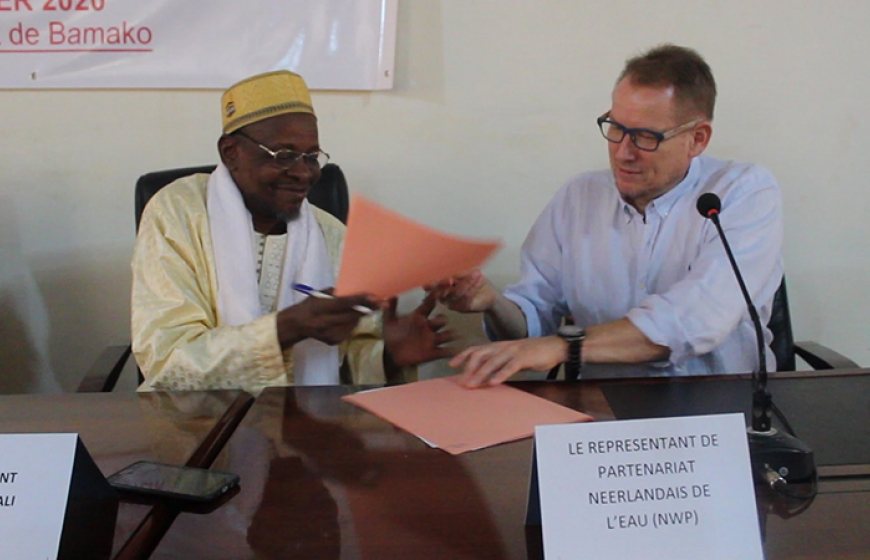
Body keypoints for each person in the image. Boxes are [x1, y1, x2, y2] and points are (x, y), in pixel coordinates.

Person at [436, 45, 783, 387]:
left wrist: (563, 347)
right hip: (603, 413)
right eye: (616, 128)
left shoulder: (742, 193)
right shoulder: (579, 198)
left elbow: (695, 318)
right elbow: (532, 323)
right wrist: (493, 303)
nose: (623, 153)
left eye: (645, 137)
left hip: (720, 407)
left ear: (697, 139)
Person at [132, 70, 452, 394]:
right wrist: (287, 327)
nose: (302, 173)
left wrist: (388, 357)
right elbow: (166, 363)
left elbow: (346, 370)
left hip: (308, 429)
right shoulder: (177, 212)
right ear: (231, 153)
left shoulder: (331, 234)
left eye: (311, 157)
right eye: (283, 156)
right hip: (194, 427)